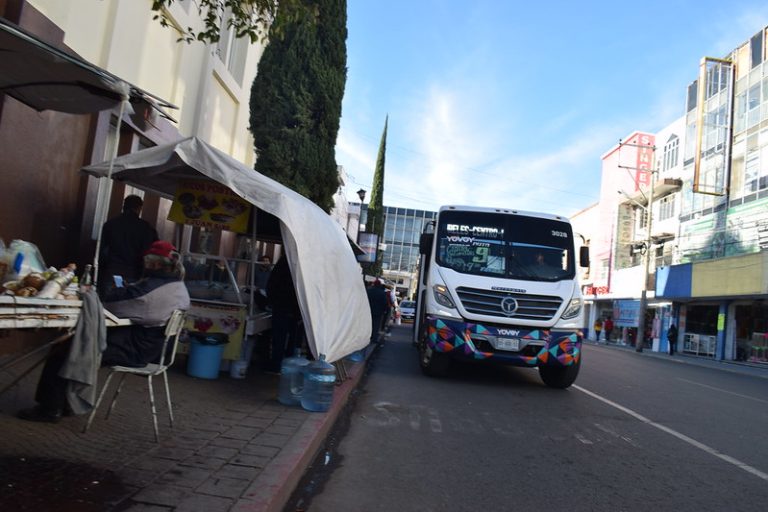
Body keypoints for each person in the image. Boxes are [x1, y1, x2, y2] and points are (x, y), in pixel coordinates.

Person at [18, 240, 190, 423]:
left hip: (136, 350)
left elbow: (114, 307)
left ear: (154, 263)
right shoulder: (177, 286)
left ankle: (50, 408)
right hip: (152, 348)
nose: (144, 265)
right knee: (75, 344)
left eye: (147, 262)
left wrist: (108, 293)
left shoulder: (149, 290)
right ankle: (65, 402)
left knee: (69, 348)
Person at [98, 194, 159, 294]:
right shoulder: (146, 228)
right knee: (126, 303)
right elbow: (151, 252)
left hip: (113, 271)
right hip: (134, 274)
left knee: (109, 302)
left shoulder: (110, 224)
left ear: (124, 206)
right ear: (139, 208)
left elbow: (102, 251)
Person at [266, 255, 302, 373]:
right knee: (292, 338)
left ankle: (276, 365)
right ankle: (288, 366)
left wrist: (272, 302)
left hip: (281, 308)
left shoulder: (282, 264)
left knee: (279, 338)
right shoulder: (301, 266)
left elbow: (271, 285)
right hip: (295, 310)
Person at [366, 279, 389, 345]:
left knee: (368, 324)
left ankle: (367, 337)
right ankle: (374, 338)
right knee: (376, 325)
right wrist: (384, 310)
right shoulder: (382, 293)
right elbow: (385, 303)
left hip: (368, 311)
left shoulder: (368, 291)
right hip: (378, 312)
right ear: (379, 285)